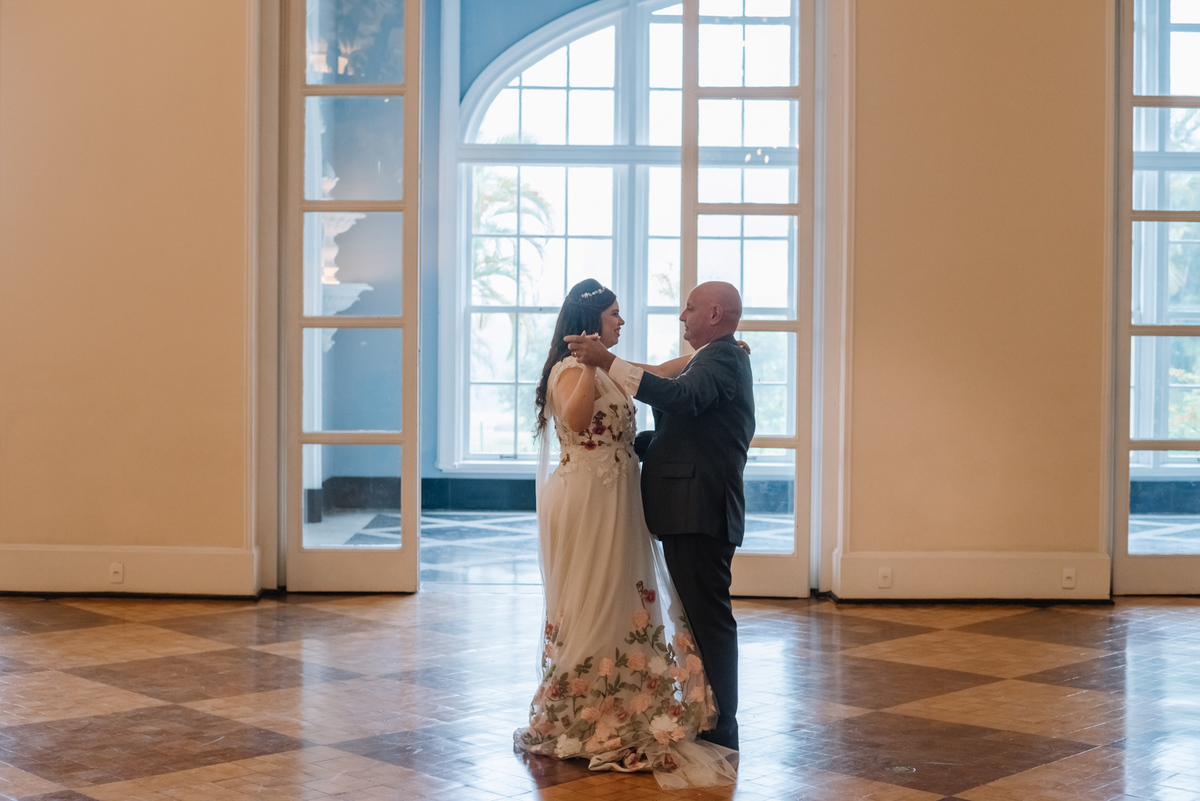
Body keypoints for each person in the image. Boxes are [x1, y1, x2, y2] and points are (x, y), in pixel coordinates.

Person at [514, 279, 737, 790]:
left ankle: (625, 687)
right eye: (614, 314)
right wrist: (592, 363)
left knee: (622, 596)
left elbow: (658, 374)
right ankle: (588, 708)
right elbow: (572, 416)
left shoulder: (607, 369)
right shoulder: (569, 370)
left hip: (617, 499)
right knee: (594, 594)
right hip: (587, 500)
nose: (620, 322)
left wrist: (721, 349)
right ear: (590, 323)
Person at [565, 281, 754, 753]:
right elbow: (687, 428)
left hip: (700, 509)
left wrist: (605, 361)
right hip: (689, 508)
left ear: (713, 313)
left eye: (688, 308)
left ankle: (721, 725)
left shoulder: (723, 357)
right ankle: (707, 711)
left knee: (708, 619)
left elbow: (683, 398)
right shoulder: (715, 357)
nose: (681, 316)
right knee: (696, 616)